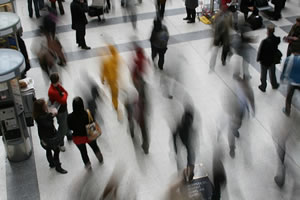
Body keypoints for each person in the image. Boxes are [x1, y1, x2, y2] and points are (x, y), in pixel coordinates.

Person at [33, 99, 68, 174]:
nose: (46, 105)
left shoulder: (37, 116)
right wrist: (51, 116)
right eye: (44, 105)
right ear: (41, 108)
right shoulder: (43, 118)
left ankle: (51, 163)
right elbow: (48, 125)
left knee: (48, 150)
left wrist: (49, 115)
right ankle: (58, 167)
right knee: (56, 150)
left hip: (43, 139)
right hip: (50, 139)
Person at [67, 97, 104, 168]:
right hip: (90, 135)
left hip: (78, 138)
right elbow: (93, 121)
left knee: (83, 152)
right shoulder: (88, 113)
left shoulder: (70, 117)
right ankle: (100, 158)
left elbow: (70, 128)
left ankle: (88, 165)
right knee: (95, 147)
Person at [48, 73, 72, 152]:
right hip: (60, 111)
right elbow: (63, 99)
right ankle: (60, 143)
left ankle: (69, 134)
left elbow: (65, 93)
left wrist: (63, 94)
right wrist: (63, 94)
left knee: (66, 122)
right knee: (62, 128)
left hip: (63, 108)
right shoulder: (52, 91)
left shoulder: (57, 86)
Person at [257, 25, 280, 92]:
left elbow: (260, 51)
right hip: (272, 59)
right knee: (272, 73)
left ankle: (263, 86)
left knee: (263, 74)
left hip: (264, 60)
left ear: (268, 32)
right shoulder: (277, 39)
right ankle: (274, 84)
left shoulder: (264, 41)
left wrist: (259, 58)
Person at [101, 44, 122, 119]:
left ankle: (115, 106)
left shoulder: (106, 61)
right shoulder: (115, 59)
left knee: (114, 95)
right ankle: (116, 106)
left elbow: (103, 71)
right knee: (115, 94)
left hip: (110, 82)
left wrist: (102, 79)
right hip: (114, 81)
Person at [281, 49, 300, 117]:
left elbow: (284, 70)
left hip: (292, 82)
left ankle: (287, 111)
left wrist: (282, 78)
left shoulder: (289, 59)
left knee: (289, 97)